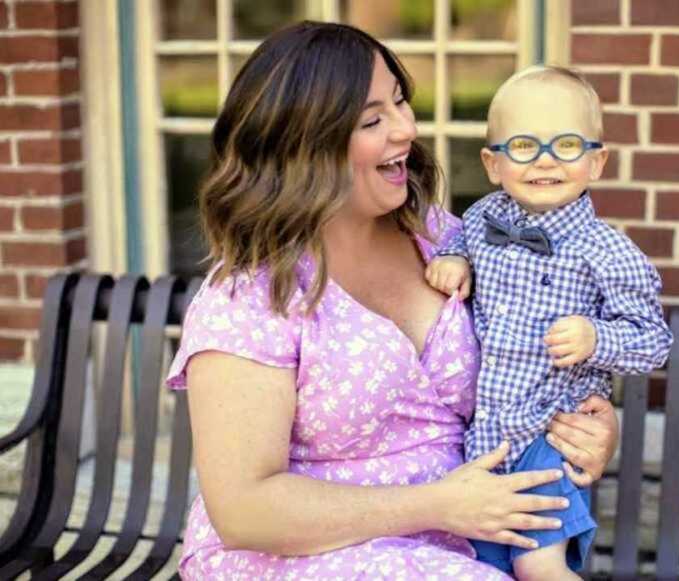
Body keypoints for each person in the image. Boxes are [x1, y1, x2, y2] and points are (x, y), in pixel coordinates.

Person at [165, 22, 621, 579]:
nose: (406, 129)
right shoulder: (251, 296)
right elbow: (244, 509)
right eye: (372, 120)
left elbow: (536, 353)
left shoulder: (442, 237)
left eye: (401, 102)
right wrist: (437, 504)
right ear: (304, 145)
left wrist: (588, 427)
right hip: (297, 555)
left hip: (471, 540)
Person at [425, 66, 673, 580]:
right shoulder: (480, 219)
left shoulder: (609, 253)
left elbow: (653, 342)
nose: (544, 160)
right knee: (489, 563)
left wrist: (597, 337)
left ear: (597, 161)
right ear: (492, 164)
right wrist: (454, 260)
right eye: (523, 146)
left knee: (539, 566)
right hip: (486, 437)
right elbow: (457, 242)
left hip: (551, 430)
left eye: (565, 144)